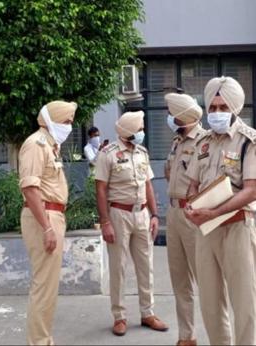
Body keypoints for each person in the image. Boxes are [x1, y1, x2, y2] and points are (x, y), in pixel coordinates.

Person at [184, 76, 256, 345]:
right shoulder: (203, 142)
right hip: (206, 231)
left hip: (238, 227)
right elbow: (192, 184)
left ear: (235, 108)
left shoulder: (249, 141)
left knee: (244, 302)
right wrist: (191, 204)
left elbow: (251, 190)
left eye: (222, 107)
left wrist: (214, 213)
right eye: (212, 108)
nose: (216, 113)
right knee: (210, 303)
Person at [95, 111, 168, 337]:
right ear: (130, 131)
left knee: (146, 265)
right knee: (118, 267)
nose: (143, 132)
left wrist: (155, 215)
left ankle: (148, 313)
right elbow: (100, 189)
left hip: (142, 214)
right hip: (119, 214)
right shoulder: (108, 154)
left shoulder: (142, 153)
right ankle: (119, 316)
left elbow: (147, 185)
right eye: (140, 128)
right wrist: (105, 221)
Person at [19, 100, 77, 345]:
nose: (69, 127)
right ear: (52, 120)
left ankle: (44, 339)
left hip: (51, 216)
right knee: (44, 287)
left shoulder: (51, 146)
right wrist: (47, 228)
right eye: (66, 122)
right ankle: (39, 342)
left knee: (48, 287)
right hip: (43, 217)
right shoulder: (36, 144)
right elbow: (31, 189)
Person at [163, 93, 208, 346]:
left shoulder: (205, 141)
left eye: (172, 114)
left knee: (206, 278)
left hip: (193, 213)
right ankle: (186, 336)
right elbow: (170, 173)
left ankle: (218, 334)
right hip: (173, 213)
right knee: (179, 278)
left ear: (183, 116)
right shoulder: (176, 142)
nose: (170, 118)